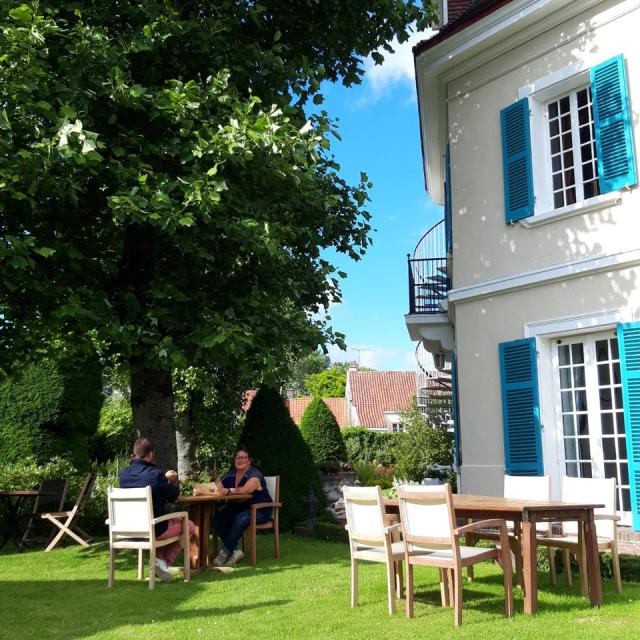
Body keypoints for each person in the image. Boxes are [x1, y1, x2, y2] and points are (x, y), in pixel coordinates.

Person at [119, 437, 198, 582]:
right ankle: (164, 564)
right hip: (154, 530)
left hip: (130, 531)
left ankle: (159, 563)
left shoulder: (123, 474)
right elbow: (173, 495)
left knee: (161, 522)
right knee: (190, 525)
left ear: (135, 453)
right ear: (150, 454)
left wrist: (162, 478)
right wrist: (169, 479)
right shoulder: (155, 474)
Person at [212, 447, 272, 566]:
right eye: (238, 457)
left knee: (240, 519)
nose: (240, 460)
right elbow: (216, 487)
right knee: (219, 520)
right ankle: (236, 550)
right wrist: (202, 490)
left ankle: (225, 552)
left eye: (244, 457)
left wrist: (228, 491)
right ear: (234, 460)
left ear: (249, 461)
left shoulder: (255, 474)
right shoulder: (231, 474)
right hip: (241, 508)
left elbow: (246, 490)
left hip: (259, 510)